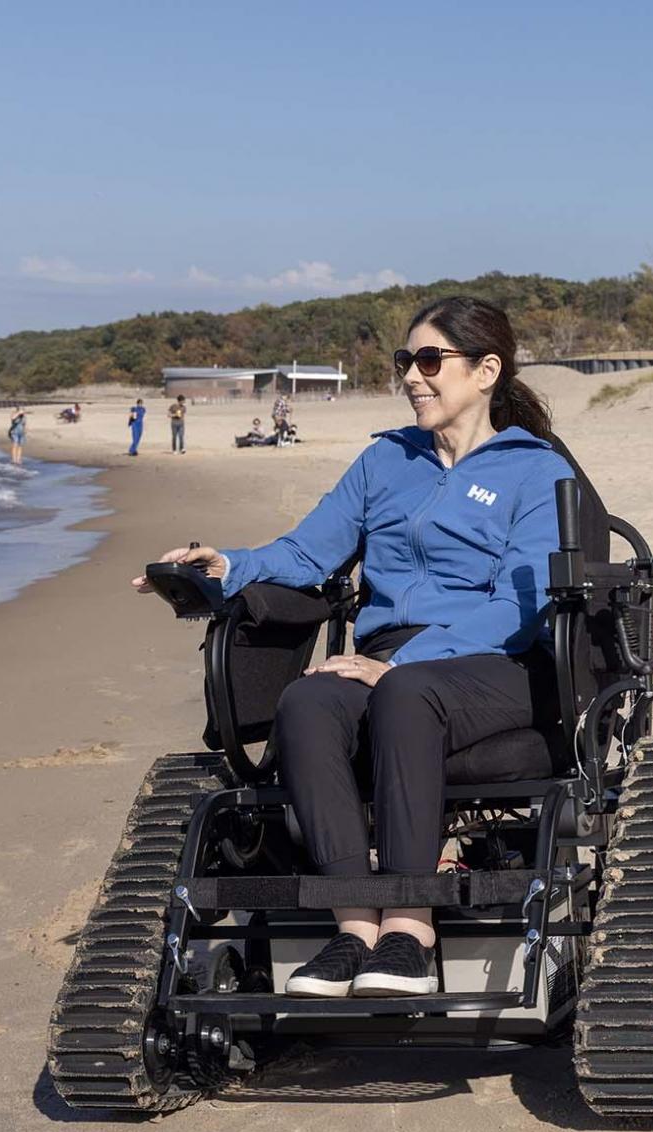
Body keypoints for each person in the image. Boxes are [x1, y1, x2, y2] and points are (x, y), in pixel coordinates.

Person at [132, 296, 576, 998]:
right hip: (390, 656)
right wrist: (226, 568)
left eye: (431, 361)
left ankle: (410, 926)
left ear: (487, 370)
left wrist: (401, 662)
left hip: (497, 661)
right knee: (306, 699)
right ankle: (353, 928)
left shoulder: (536, 470)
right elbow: (308, 553)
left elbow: (521, 608)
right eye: (406, 361)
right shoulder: (385, 461)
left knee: (404, 690)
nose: (412, 377)